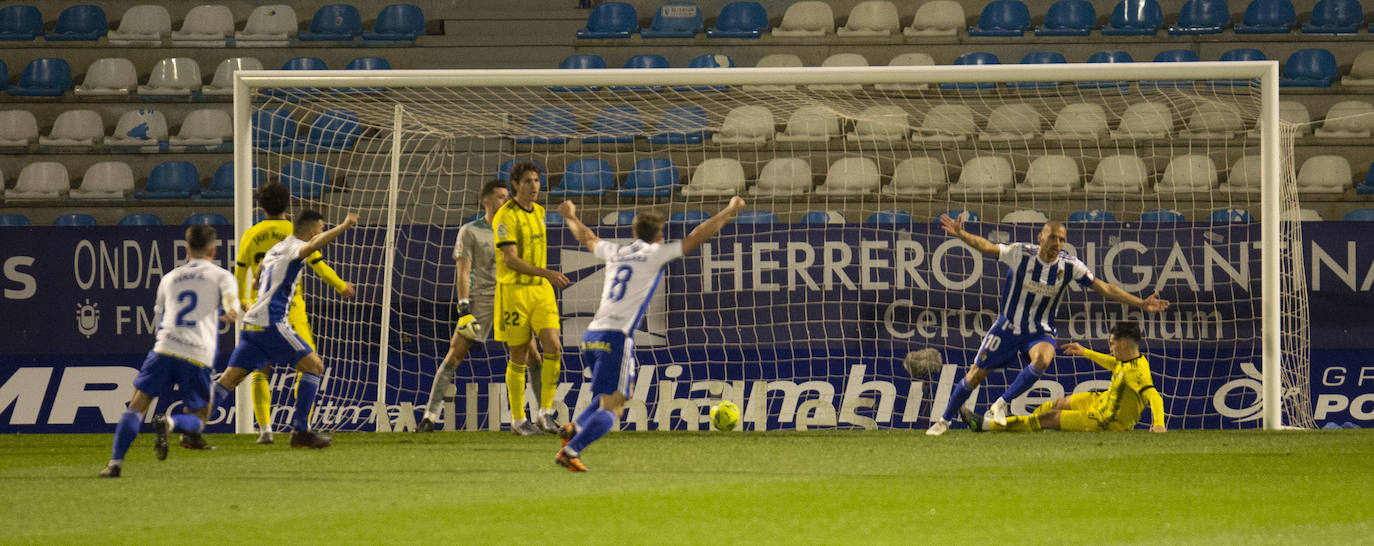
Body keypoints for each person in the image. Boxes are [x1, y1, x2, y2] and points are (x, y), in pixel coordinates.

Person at [926, 215, 1171, 436]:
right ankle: (944, 420)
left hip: (1039, 331)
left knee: (1044, 358)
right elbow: (987, 246)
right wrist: (962, 235)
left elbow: (1105, 288)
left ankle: (1001, 403)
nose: (1057, 243)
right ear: (1040, 237)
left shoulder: (1070, 266)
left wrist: (1140, 303)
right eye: (1053, 237)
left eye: (1062, 239)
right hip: (1008, 328)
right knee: (974, 376)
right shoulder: (1020, 253)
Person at [554, 196, 746, 472]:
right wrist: (728, 211)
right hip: (616, 336)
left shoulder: (616, 251)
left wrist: (570, 216)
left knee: (617, 393)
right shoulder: (655, 254)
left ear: (634, 233)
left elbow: (587, 237)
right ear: (658, 236)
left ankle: (576, 426)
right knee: (615, 407)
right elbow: (698, 235)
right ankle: (571, 451)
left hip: (592, 334)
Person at [210, 210, 358, 449]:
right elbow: (313, 245)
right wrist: (343, 226)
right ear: (311, 230)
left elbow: (256, 277)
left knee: (228, 380)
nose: (320, 231)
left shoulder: (274, 250)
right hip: (272, 323)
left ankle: (183, 425)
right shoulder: (295, 247)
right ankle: (300, 431)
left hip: (251, 324)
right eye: (320, 227)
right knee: (315, 367)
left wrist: (255, 287)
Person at [101, 226, 241, 478]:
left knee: (136, 406)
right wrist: (231, 312)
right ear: (214, 249)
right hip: (197, 354)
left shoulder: (170, 277)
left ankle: (115, 463)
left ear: (187, 249)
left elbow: (160, 316)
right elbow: (232, 303)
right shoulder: (221, 276)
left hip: (164, 348)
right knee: (199, 417)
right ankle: (171, 423)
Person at [417, 180, 540, 432]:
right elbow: (463, 271)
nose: (505, 201)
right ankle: (429, 417)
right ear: (486, 201)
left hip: (511, 297)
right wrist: (464, 306)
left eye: (507, 196)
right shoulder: (470, 231)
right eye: (500, 197)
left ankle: (542, 415)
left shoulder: (514, 229)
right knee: (455, 354)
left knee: (533, 357)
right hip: (481, 301)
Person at [961, 321, 1167, 433]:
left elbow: (1154, 397)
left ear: (1123, 344)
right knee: (1059, 403)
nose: (1110, 347)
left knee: (1048, 417)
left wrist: (1159, 424)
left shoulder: (1136, 372)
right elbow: (1115, 364)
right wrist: (1085, 352)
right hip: (1102, 401)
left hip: (1107, 421)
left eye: (1112, 343)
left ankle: (986, 425)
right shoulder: (1132, 360)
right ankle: (1034, 427)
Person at [492, 162, 569, 435]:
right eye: (528, 181)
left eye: (537, 180)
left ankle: (545, 413)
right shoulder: (505, 216)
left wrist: (544, 277)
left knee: (554, 346)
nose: (534, 185)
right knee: (520, 355)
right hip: (514, 292)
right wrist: (547, 272)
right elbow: (510, 260)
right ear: (515, 184)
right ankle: (517, 419)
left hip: (540, 291)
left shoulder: (539, 211)